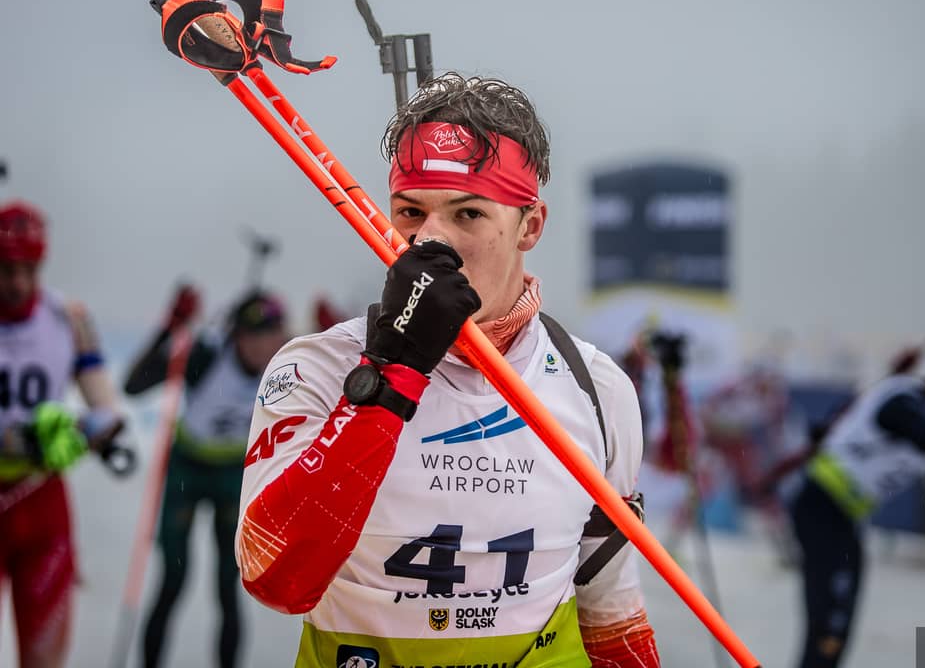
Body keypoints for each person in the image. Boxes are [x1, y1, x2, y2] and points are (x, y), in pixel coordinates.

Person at [236, 73, 660, 667]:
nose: (429, 240)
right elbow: (275, 579)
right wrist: (395, 369)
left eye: (468, 214)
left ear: (530, 226)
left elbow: (611, 614)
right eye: (411, 212)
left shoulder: (596, 387)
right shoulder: (319, 367)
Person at [787, 333, 925, 668]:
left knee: (838, 627)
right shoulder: (903, 396)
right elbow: (924, 435)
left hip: (845, 518)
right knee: (830, 623)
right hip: (822, 506)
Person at [123, 286, 288, 668]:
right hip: (188, 469)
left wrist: (333, 326)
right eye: (255, 335)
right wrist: (171, 326)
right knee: (172, 581)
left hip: (233, 474)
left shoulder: (287, 366)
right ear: (238, 335)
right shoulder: (207, 355)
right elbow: (133, 386)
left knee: (228, 586)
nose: (265, 345)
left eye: (273, 334)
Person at [0, 200, 125, 667]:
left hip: (41, 501)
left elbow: (105, 406)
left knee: (45, 652)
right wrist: (15, 439)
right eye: (6, 270)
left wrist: (90, 430)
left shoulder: (67, 318)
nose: (17, 283)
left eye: (28, 270)